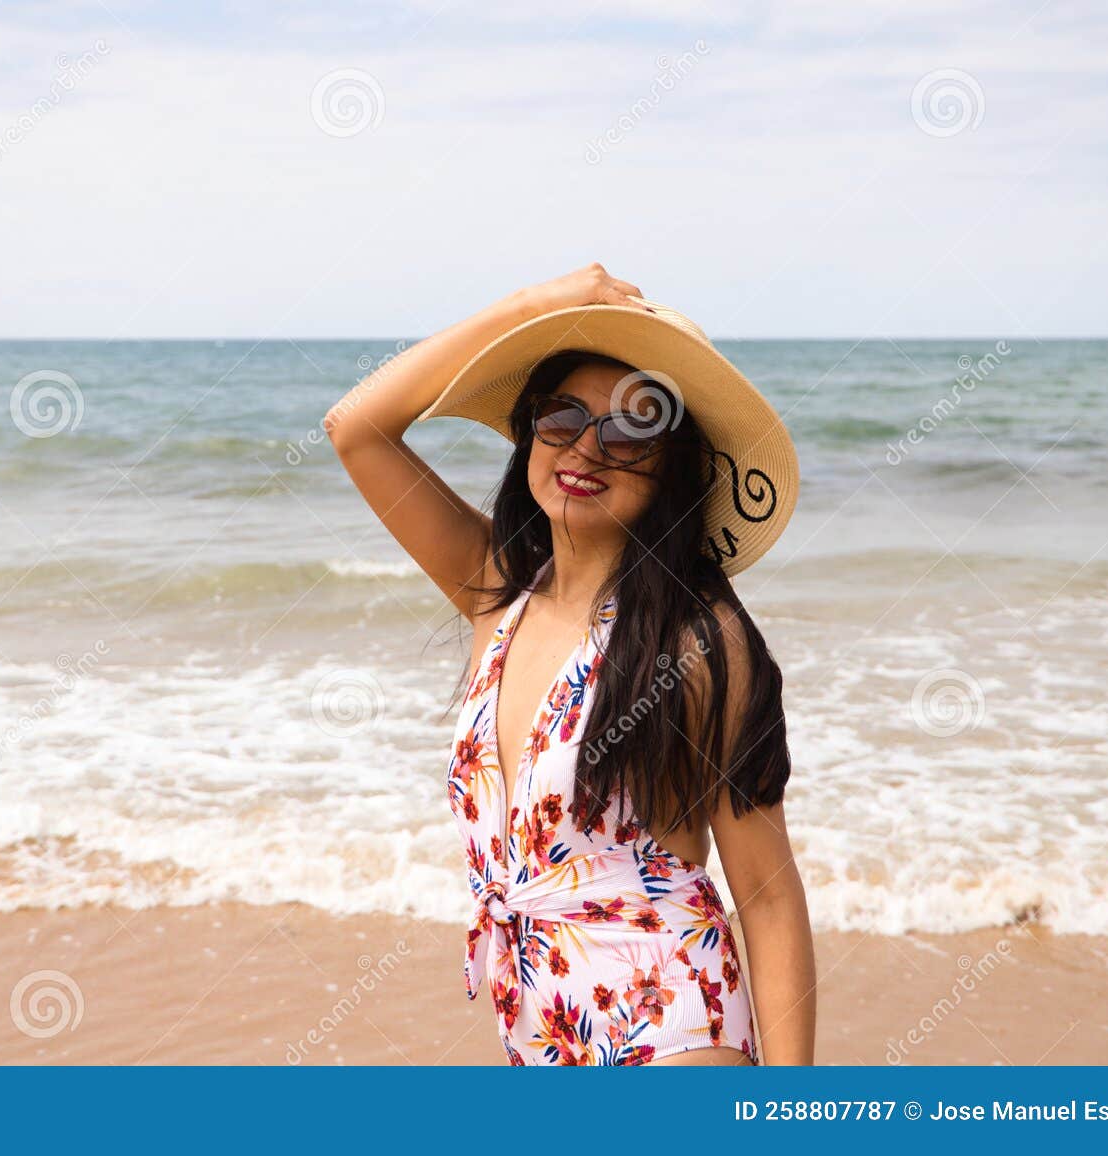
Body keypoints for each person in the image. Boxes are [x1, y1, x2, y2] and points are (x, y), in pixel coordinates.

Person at [326, 264, 815, 1065]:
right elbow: (357, 427)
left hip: (671, 1025)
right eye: (562, 416)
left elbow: (765, 894)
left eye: (630, 430)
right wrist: (531, 306)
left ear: (672, 469)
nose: (587, 447)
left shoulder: (696, 640)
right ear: (530, 431)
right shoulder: (497, 598)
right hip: (540, 1034)